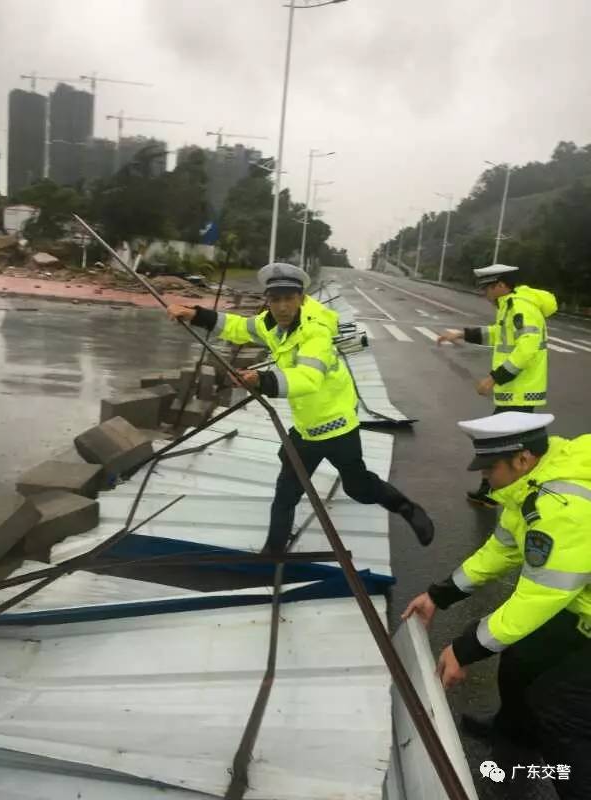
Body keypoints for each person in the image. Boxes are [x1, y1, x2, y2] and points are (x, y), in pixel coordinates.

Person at [167, 262, 434, 552]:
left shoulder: (316, 332)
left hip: (338, 427)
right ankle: (273, 553)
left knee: (358, 488)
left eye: (289, 299)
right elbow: (238, 327)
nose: (282, 307)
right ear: (268, 300)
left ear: (302, 299)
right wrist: (195, 314)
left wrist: (261, 380)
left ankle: (406, 507)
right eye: (275, 299)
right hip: (306, 429)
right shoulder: (270, 324)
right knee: (286, 493)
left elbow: (308, 377)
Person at [403, 412, 591, 800]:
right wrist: (439, 594)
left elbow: (539, 598)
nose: (485, 477)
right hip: (579, 605)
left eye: (490, 468)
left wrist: (465, 649)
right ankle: (515, 737)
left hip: (576, 606)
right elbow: (502, 549)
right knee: (520, 658)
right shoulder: (531, 485)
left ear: (522, 458)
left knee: (561, 711)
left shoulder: (561, 507)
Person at [437, 264, 557, 506]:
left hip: (521, 390)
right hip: (515, 390)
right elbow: (497, 334)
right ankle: (494, 491)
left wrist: (493, 378)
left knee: (499, 445)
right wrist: (462, 334)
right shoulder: (510, 306)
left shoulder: (521, 307)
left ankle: (497, 492)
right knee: (504, 445)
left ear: (501, 285)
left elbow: (526, 349)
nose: (485, 294)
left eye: (487, 289)